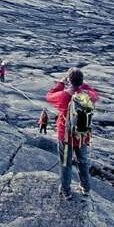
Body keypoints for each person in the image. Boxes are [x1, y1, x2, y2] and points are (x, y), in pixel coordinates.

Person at [46, 67, 98, 201]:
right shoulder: (87, 96)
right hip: (82, 136)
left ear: (69, 80)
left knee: (66, 163)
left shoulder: (64, 96)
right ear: (81, 81)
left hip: (66, 136)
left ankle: (66, 191)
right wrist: (83, 85)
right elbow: (94, 93)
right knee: (83, 162)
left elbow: (49, 95)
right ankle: (86, 188)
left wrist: (61, 83)